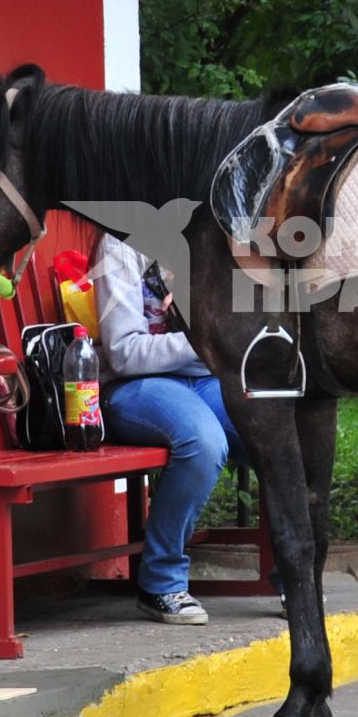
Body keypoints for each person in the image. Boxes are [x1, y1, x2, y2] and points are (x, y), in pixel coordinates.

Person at [88, 234, 242, 624]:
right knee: (203, 441)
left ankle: (292, 577)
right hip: (135, 387)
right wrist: (210, 341)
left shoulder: (215, 230)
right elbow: (124, 353)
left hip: (207, 380)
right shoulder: (121, 243)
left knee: (278, 432)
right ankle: (161, 581)